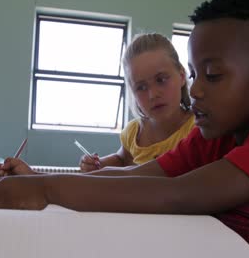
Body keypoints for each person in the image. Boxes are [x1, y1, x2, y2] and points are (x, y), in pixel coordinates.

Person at [0, 0, 249, 256]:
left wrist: (47, 187)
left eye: (211, 75)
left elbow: (181, 195)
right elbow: (143, 174)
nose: (195, 91)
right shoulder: (214, 137)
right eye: (195, 73)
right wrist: (35, 183)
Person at [79, 33, 194, 171]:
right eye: (141, 87)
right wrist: (98, 164)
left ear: (181, 76)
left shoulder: (197, 129)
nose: (153, 95)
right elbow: (122, 159)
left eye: (161, 80)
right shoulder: (134, 132)